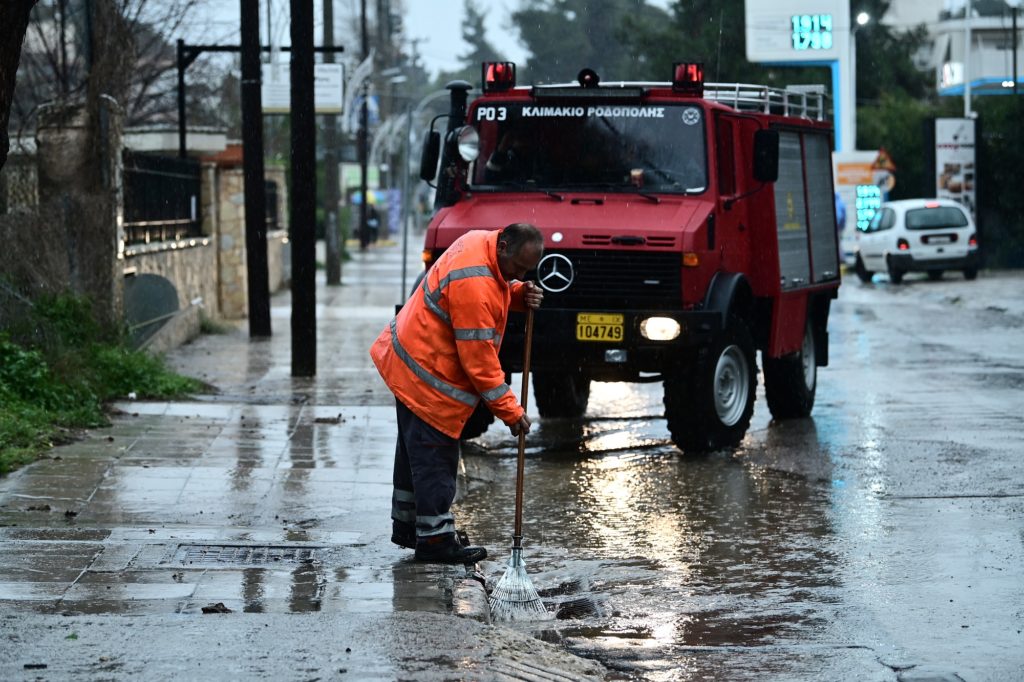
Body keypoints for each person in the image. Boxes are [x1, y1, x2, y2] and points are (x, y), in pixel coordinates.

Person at [369, 223, 545, 564]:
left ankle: (409, 527)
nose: (518, 275)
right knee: (435, 458)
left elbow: (499, 285)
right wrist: (511, 412)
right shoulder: (474, 285)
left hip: (410, 361)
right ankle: (435, 540)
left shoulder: (480, 242)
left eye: (525, 271)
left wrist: (519, 293)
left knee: (414, 455)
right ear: (505, 246)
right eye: (518, 269)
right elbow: (480, 364)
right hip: (428, 376)